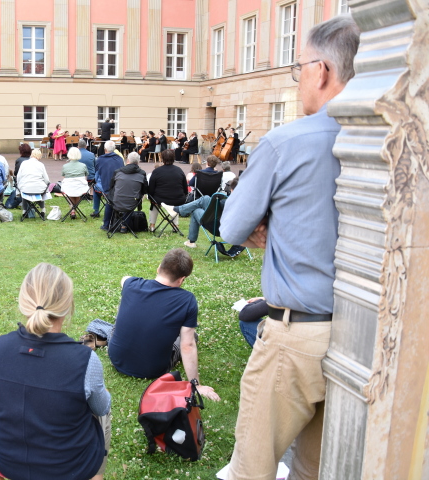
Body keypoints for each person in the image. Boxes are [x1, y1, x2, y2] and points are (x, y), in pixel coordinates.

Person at [220, 16, 360, 480]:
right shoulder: (374, 137)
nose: (299, 79)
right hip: (358, 334)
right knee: (316, 469)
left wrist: (270, 226)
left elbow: (232, 226)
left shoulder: (287, 142)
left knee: (252, 467)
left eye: (298, 68)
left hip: (295, 334)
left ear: (321, 70)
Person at [0, 263, 111, 480]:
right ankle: (96, 475)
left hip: (7, 460)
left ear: (24, 301)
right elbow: (101, 408)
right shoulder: (84, 360)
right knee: (102, 410)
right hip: (70, 468)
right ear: (67, 306)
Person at [103, 249, 220, 402]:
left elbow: (124, 279)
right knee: (192, 336)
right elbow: (187, 345)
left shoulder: (131, 284)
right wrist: (195, 385)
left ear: (159, 268)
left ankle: (100, 334)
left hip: (116, 358)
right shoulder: (187, 300)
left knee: (119, 324)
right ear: (181, 280)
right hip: (153, 368)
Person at [165, 178, 237, 248]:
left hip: (218, 228)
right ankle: (177, 210)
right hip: (225, 227)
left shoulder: (227, 202)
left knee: (196, 210)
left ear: (232, 189)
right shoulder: (242, 203)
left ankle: (191, 241)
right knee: (205, 199)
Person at [148, 150, 188, 232]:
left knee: (154, 203)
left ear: (162, 158)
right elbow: (185, 188)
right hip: (178, 199)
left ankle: (152, 225)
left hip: (160, 199)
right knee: (174, 204)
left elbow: (151, 188)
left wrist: (150, 198)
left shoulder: (157, 171)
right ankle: (175, 225)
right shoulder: (179, 170)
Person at [108, 152, 147, 233]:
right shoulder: (142, 173)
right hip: (132, 203)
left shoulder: (118, 172)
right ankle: (124, 225)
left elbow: (111, 186)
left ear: (127, 160)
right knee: (131, 199)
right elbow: (144, 190)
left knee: (113, 197)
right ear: (138, 161)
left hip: (116, 202)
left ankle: (108, 224)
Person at [94, 140, 124, 231]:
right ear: (114, 149)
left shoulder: (100, 159)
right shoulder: (119, 159)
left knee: (109, 201)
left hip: (106, 186)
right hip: (119, 186)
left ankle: (106, 224)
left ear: (105, 149)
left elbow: (97, 173)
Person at [16, 149, 50, 218]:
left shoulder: (24, 163)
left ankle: (24, 211)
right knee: (41, 192)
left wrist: (19, 185)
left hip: (25, 189)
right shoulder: (41, 165)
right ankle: (43, 210)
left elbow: (18, 177)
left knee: (24, 192)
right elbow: (47, 180)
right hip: (38, 189)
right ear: (39, 156)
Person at [61, 147, 89, 220]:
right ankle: (74, 209)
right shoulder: (83, 165)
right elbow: (86, 176)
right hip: (80, 188)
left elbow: (64, 177)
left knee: (70, 191)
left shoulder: (65, 166)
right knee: (78, 191)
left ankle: (72, 210)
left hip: (69, 188)